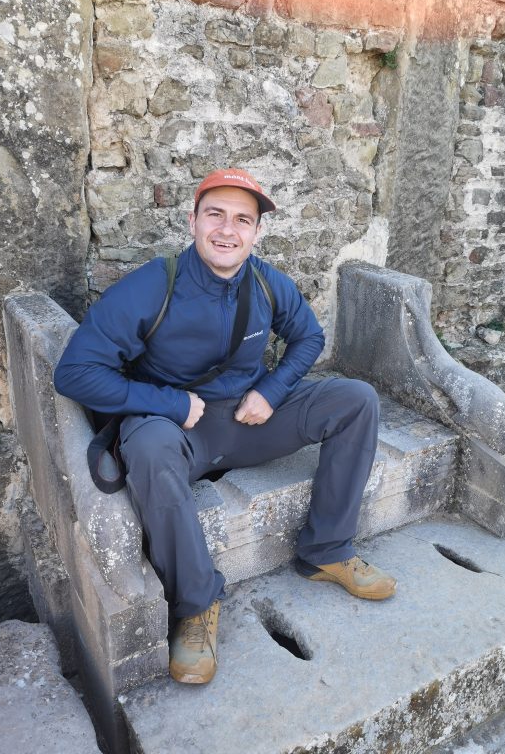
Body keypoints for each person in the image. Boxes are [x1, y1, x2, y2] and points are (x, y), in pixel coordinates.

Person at [54, 168, 396, 685]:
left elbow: (308, 337)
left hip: (250, 419)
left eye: (243, 219)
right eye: (215, 214)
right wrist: (165, 402)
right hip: (181, 432)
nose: (227, 229)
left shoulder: (265, 281)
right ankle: (195, 605)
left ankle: (326, 550)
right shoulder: (155, 283)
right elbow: (74, 371)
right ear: (193, 220)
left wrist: (272, 391)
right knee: (146, 446)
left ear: (257, 232)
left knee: (355, 399)